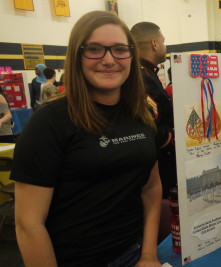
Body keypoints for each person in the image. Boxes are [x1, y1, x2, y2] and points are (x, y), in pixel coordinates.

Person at [10, 10, 162, 267]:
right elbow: (28, 224)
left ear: (131, 55)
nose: (109, 59)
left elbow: (151, 188)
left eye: (119, 49)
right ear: (77, 56)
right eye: (94, 49)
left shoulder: (142, 113)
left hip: (134, 254)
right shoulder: (49, 121)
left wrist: (148, 255)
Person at [131, 22, 176, 199]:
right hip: (158, 164)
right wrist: (174, 136)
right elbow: (149, 126)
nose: (165, 46)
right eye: (163, 41)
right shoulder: (143, 77)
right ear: (154, 44)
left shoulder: (146, 74)